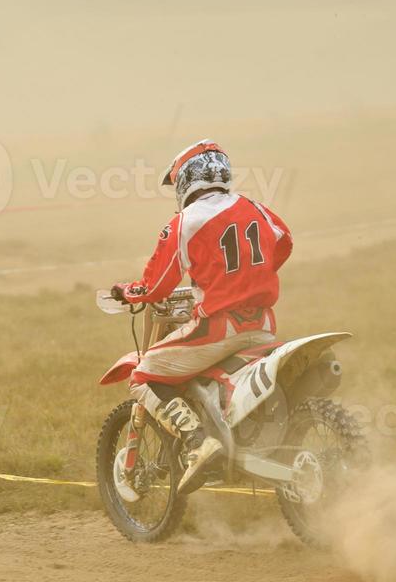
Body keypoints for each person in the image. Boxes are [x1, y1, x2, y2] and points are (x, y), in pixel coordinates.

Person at [111, 139, 292, 495]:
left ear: (186, 179)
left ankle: (198, 442)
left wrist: (128, 290)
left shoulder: (184, 222)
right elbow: (283, 242)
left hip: (218, 330)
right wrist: (248, 276)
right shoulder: (256, 207)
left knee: (143, 374)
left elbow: (157, 286)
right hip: (263, 325)